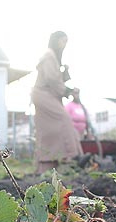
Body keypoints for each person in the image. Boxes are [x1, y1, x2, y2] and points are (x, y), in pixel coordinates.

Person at [31, 31, 83, 173]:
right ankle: (74, 157)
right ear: (55, 40)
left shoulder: (54, 57)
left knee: (48, 132)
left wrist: (65, 75)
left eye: (66, 41)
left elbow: (55, 79)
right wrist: (67, 91)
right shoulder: (49, 55)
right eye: (62, 41)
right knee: (64, 118)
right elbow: (51, 79)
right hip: (43, 94)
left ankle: (45, 167)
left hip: (48, 95)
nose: (64, 44)